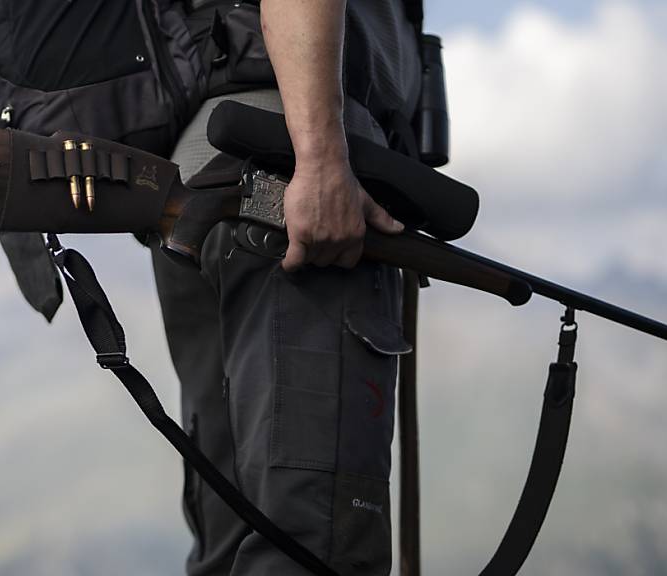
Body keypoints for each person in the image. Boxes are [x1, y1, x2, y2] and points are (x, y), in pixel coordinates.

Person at [150, 1, 422, 574]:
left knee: (231, 545)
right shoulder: (314, 163)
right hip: (297, 184)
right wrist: (321, 157)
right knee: (315, 545)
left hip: (201, 183)